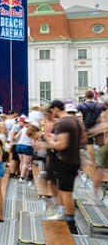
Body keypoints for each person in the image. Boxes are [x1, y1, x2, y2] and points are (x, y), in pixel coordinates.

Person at [44, 100, 82, 234]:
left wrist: (49, 140)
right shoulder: (75, 120)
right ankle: (64, 214)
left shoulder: (62, 123)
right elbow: (83, 139)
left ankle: (71, 223)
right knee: (65, 191)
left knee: (66, 194)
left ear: (55, 109)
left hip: (66, 161)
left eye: (52, 110)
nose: (51, 113)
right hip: (74, 160)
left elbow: (61, 145)